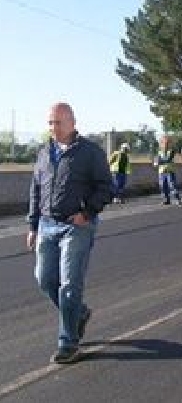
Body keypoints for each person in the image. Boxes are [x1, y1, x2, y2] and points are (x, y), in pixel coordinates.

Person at [26, 102, 112, 364]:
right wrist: (32, 225)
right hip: (47, 226)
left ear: (73, 123)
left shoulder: (90, 153)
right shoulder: (44, 153)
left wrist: (87, 214)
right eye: (50, 123)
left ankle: (68, 342)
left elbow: (106, 188)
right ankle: (80, 314)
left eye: (58, 122)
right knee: (44, 279)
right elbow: (36, 190)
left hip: (76, 226)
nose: (53, 128)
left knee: (69, 284)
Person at [154, 136, 182, 206]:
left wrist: (159, 162)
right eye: (163, 143)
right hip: (161, 172)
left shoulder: (171, 151)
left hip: (169, 171)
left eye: (166, 143)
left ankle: (177, 199)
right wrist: (157, 162)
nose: (164, 145)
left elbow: (168, 159)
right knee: (163, 187)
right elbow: (155, 162)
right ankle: (166, 200)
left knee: (172, 185)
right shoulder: (158, 152)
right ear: (160, 144)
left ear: (169, 144)